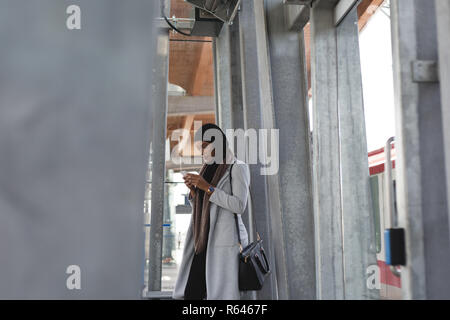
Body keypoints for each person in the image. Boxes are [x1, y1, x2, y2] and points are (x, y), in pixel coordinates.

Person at [172, 123, 250, 300]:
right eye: (200, 148)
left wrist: (207, 188)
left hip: (222, 243)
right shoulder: (206, 169)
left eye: (205, 146)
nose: (202, 152)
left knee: (218, 296)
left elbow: (239, 205)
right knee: (191, 293)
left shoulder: (237, 167)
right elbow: (204, 207)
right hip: (202, 242)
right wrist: (194, 192)